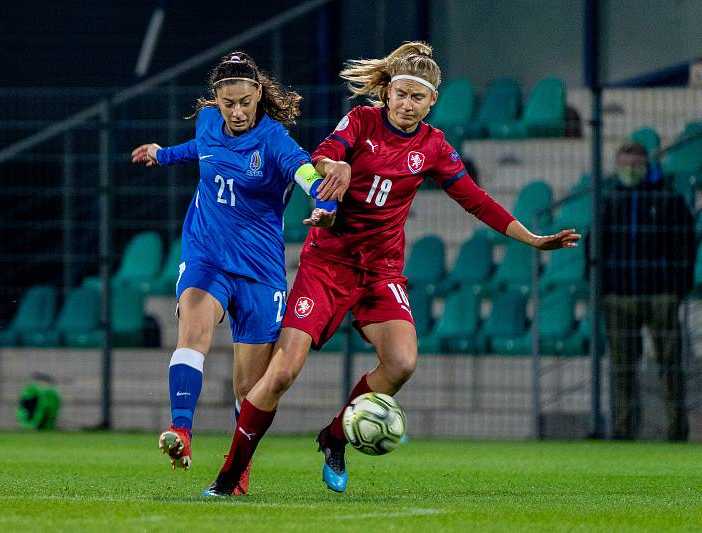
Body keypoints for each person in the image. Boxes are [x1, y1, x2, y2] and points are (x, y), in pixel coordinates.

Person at [203, 41, 581, 496]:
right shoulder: (362, 122)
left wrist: (534, 239)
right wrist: (333, 168)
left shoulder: (434, 147)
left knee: (402, 362)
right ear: (387, 94)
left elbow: (477, 202)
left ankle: (335, 437)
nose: (406, 104)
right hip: (328, 263)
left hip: (380, 272)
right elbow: (323, 156)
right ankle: (230, 476)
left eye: (417, 97)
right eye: (400, 94)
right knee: (282, 373)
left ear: (432, 102)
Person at [130, 51, 344, 494]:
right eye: (229, 103)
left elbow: (307, 176)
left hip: (260, 268)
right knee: (193, 330)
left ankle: (237, 469)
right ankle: (181, 432)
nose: (238, 111)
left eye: (245, 101)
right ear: (216, 100)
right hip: (207, 253)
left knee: (250, 387)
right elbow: (201, 150)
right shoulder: (208, 121)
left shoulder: (275, 141)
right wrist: (162, 154)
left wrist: (324, 206)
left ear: (259, 93)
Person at [600, 141, 695, 441]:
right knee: (622, 368)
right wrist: (603, 286)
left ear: (646, 165)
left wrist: (677, 288)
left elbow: (686, 246)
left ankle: (677, 431)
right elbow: (597, 246)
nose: (629, 171)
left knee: (670, 365)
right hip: (619, 296)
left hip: (660, 296)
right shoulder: (610, 201)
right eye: (624, 165)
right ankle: (624, 431)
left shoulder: (668, 199)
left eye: (634, 165)